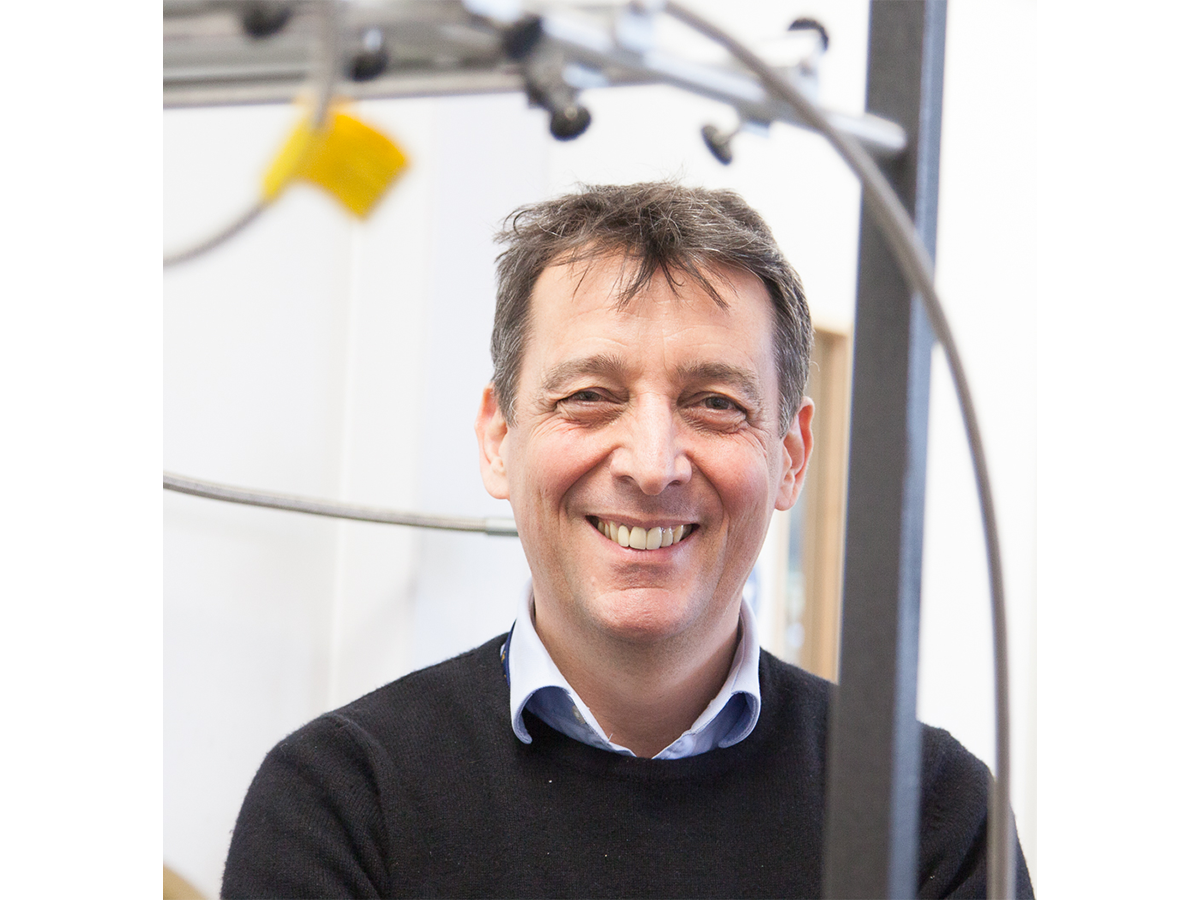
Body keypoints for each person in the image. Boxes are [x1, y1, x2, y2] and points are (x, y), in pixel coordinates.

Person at [221, 182, 1034, 898]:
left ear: (790, 456)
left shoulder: (928, 813)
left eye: (715, 402)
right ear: (499, 439)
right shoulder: (341, 802)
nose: (652, 466)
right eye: (589, 396)